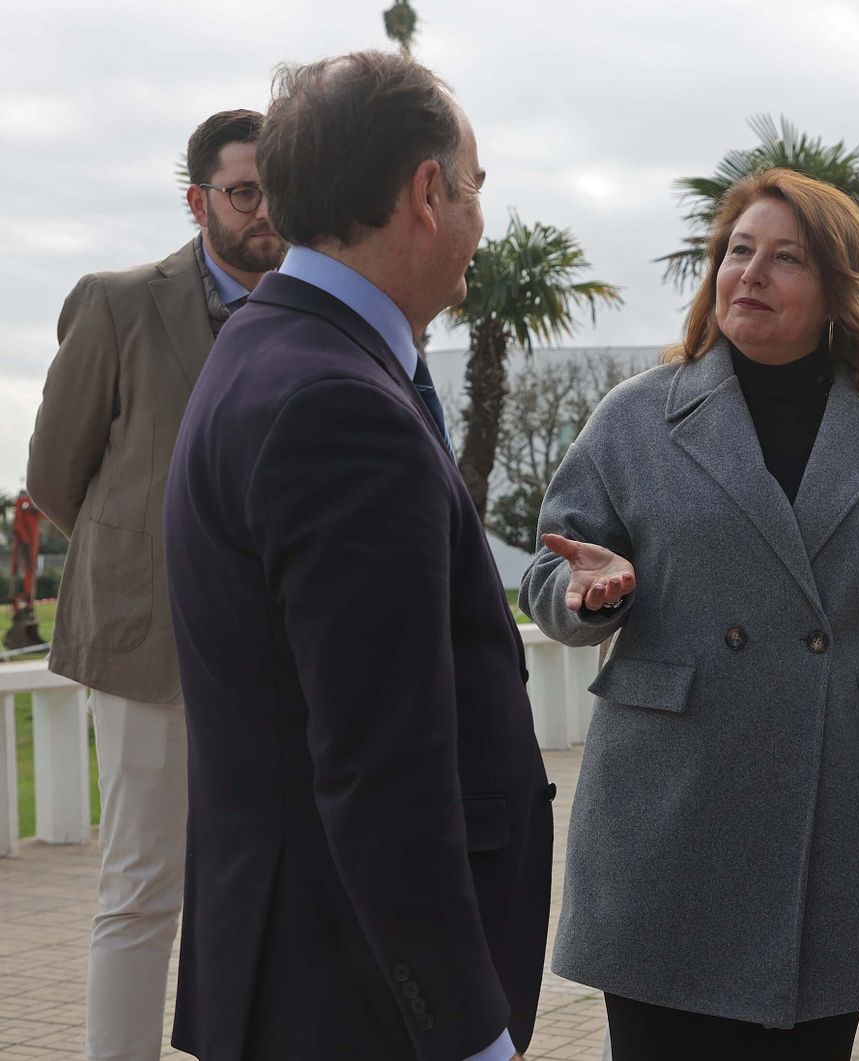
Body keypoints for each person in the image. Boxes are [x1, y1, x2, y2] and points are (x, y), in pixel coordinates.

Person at [523, 167, 859, 1061]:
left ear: (839, 287)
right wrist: (581, 591)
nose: (751, 273)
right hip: (671, 809)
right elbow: (554, 565)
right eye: (738, 251)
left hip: (834, 805)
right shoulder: (638, 415)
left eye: (786, 258)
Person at [163, 52, 552, 1061]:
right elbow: (381, 765)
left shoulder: (266, 345)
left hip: (305, 967)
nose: (479, 221)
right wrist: (465, 1031)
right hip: (357, 997)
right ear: (427, 192)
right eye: (474, 187)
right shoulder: (339, 402)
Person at [25, 108, 284, 1061]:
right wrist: (147, 561)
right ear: (197, 200)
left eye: (277, 191)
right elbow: (56, 477)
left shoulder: (318, 308)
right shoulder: (118, 303)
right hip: (148, 645)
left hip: (281, 649)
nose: (264, 211)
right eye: (243, 192)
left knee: (268, 882)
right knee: (142, 884)